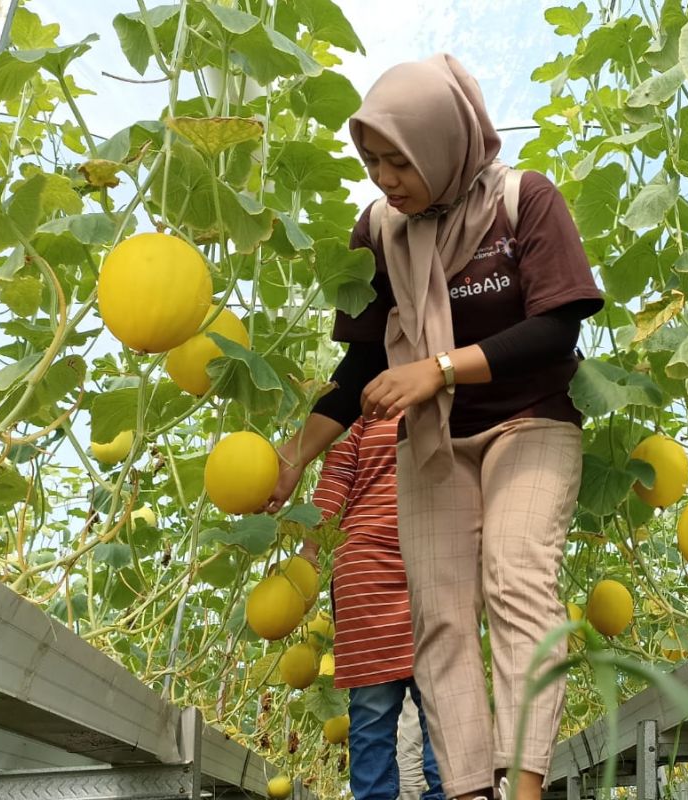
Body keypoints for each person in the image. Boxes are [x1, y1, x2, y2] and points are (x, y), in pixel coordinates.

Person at [266, 54, 602, 800]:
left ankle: (525, 787)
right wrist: (293, 458)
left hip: (530, 422)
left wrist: (438, 369)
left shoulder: (525, 200)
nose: (383, 177)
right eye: (371, 160)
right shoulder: (381, 233)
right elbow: (358, 372)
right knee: (440, 617)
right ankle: (469, 791)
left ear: (445, 144)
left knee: (517, 578)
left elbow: (557, 328)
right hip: (435, 442)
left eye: (399, 160)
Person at [308, 414, 444, 800]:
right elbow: (335, 478)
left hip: (438, 565)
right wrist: (309, 547)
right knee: (371, 711)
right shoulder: (363, 413)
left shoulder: (453, 396)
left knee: (444, 706)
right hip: (368, 570)